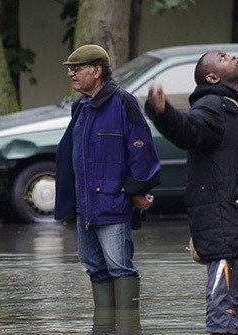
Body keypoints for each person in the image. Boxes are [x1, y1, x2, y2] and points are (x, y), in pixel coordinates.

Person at [145, 49, 238, 335]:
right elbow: (189, 130)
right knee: (223, 317)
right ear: (212, 77)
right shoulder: (212, 106)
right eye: (223, 58)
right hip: (226, 225)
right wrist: (162, 113)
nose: (233, 57)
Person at [55, 44, 161, 310]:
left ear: (97, 71)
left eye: (76, 69)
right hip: (85, 208)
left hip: (113, 205)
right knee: (94, 268)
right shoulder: (81, 107)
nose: (71, 75)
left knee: (120, 267)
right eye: (70, 70)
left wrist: (137, 192)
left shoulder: (123, 102)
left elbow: (142, 151)